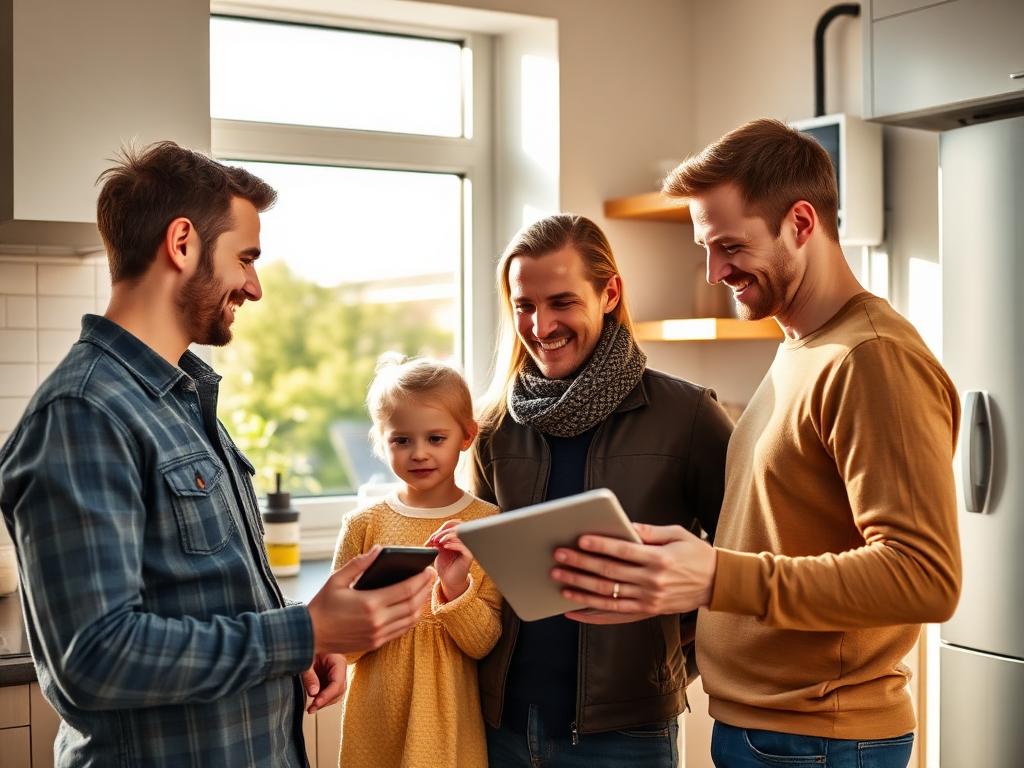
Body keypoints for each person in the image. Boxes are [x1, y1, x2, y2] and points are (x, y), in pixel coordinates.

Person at [0, 142, 434, 767]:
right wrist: (304, 630)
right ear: (182, 244)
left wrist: (305, 634)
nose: (254, 287)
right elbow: (94, 659)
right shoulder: (84, 412)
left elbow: (198, 597)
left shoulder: (179, 398)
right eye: (246, 258)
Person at [551, 119, 962, 768]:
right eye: (705, 248)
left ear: (800, 223)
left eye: (730, 246)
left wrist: (718, 576)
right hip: (770, 733)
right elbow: (788, 536)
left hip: (820, 740)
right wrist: (673, 587)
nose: (715, 271)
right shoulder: (803, 346)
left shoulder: (872, 358)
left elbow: (924, 576)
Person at [471, 214, 733, 767]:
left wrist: (666, 660)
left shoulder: (687, 416)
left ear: (609, 293)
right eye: (524, 305)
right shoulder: (495, 427)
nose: (540, 325)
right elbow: (486, 578)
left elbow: (742, 563)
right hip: (502, 727)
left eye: (562, 302)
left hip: (626, 735)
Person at [333, 356, 503, 768]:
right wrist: (372, 611)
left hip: (450, 727)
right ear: (381, 441)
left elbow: (483, 644)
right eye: (402, 440)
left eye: (436, 438)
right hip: (377, 725)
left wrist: (455, 587)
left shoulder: (487, 525)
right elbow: (336, 641)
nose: (419, 453)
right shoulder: (363, 525)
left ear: (467, 436)